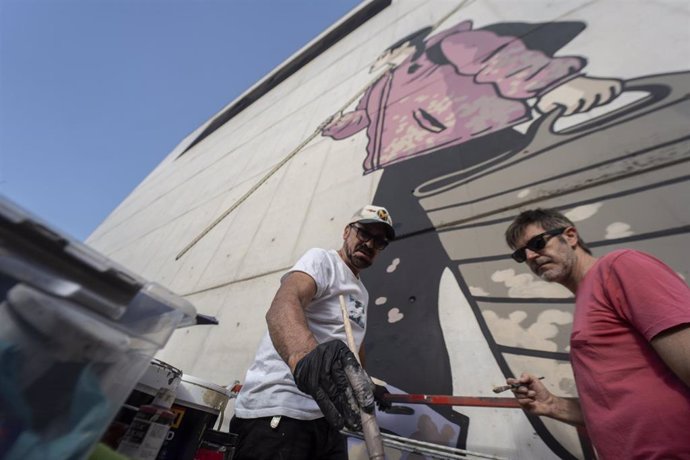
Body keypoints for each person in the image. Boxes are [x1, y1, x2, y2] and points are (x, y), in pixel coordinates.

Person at [503, 208, 690, 459]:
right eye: (520, 254)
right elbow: (613, 408)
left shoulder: (620, 266)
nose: (531, 256)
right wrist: (551, 404)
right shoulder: (586, 299)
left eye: (537, 243)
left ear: (570, 236)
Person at [230, 205, 396, 460]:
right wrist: (304, 355)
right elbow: (285, 302)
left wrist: (368, 383)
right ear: (346, 232)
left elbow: (353, 344)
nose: (369, 244)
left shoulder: (362, 293)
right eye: (364, 233)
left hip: (328, 417)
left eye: (379, 242)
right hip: (282, 409)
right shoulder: (322, 261)